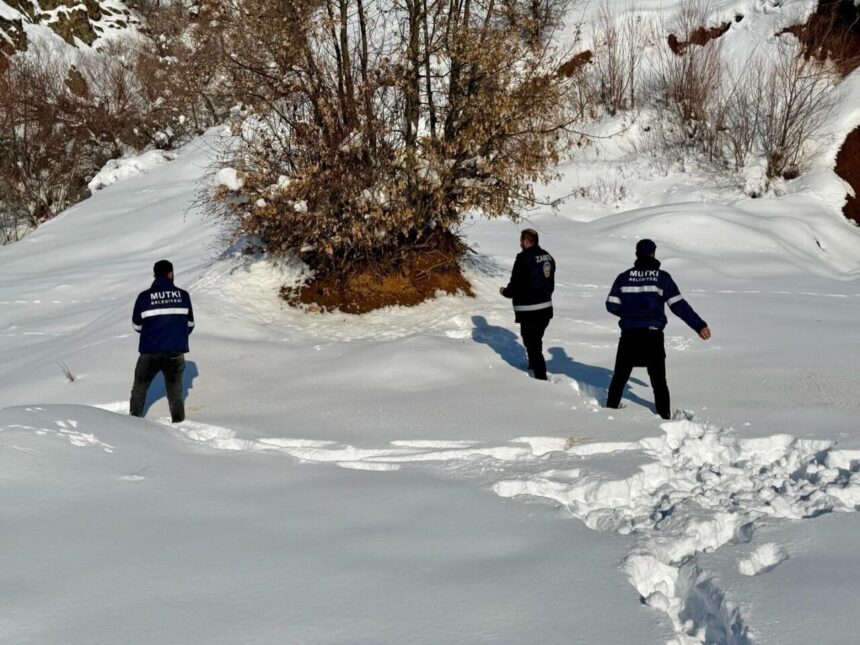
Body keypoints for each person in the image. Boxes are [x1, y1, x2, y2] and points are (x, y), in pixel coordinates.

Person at [605, 239, 710, 419]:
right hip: (653, 336)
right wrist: (699, 325)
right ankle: (664, 416)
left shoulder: (623, 277)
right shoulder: (662, 278)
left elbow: (611, 304)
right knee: (659, 381)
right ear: (653, 253)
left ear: (636, 254)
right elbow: (679, 306)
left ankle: (608, 413)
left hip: (629, 336)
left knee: (619, 378)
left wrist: (629, 315)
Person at [129, 260, 195, 423]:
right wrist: (176, 335)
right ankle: (178, 424)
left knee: (139, 391)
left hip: (150, 350)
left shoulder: (144, 297)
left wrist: (151, 334)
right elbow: (190, 325)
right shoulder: (183, 295)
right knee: (175, 393)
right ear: (170, 274)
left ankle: (132, 424)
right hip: (175, 351)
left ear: (155, 275)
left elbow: (136, 325)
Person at [499, 228, 556, 380]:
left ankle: (541, 378)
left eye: (521, 240)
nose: (520, 243)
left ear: (525, 241)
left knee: (532, 344)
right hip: (546, 309)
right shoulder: (548, 257)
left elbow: (516, 283)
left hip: (529, 310)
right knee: (535, 341)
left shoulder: (523, 259)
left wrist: (506, 292)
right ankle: (532, 367)